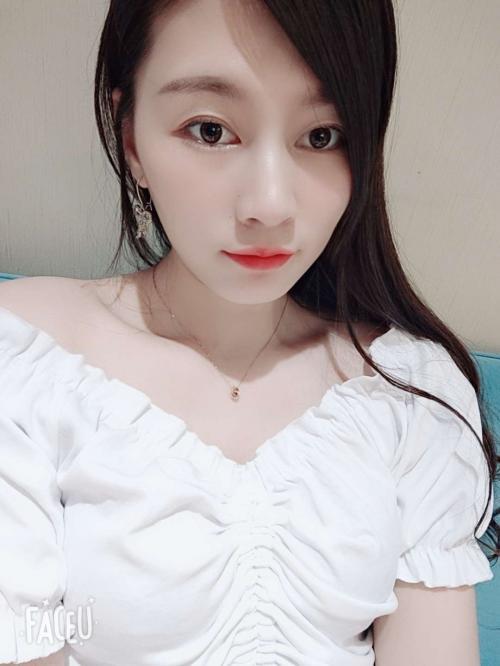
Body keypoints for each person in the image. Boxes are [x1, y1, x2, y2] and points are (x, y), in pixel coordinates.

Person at [0, 1, 498, 665]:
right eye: (210, 130)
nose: (269, 205)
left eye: (321, 136)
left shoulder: (410, 392)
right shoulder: (25, 360)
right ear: (132, 141)